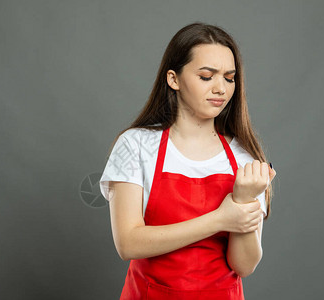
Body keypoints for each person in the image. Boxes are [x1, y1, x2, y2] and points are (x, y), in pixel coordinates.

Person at [99, 22, 277, 300]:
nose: (221, 88)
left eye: (229, 78)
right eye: (207, 76)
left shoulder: (245, 157)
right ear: (174, 79)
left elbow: (244, 265)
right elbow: (128, 243)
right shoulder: (135, 145)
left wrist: (242, 200)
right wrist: (220, 219)